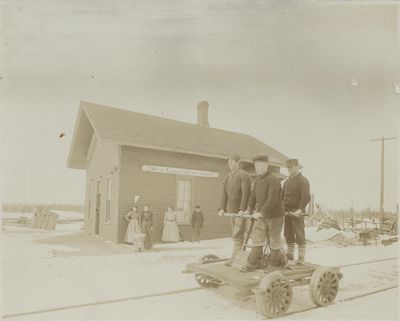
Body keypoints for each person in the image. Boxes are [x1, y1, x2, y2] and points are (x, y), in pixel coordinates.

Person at [240, 154, 286, 272]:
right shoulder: (258, 180)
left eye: (259, 165)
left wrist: (261, 212)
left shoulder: (273, 180)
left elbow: (272, 199)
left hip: (275, 216)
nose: (257, 168)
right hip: (261, 215)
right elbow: (252, 197)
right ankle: (252, 263)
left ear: (266, 165)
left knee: (274, 240)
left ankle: (274, 264)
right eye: (255, 165)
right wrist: (248, 209)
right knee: (257, 239)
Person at [218, 154, 251, 266]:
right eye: (229, 162)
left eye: (232, 162)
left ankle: (235, 259)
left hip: (240, 212)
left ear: (238, 162)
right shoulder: (227, 177)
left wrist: (242, 209)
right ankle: (237, 257)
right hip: (231, 211)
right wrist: (222, 208)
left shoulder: (244, 175)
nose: (230, 164)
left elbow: (246, 194)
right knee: (236, 235)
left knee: (238, 235)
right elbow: (223, 194)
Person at [282, 159, 311, 264]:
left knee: (299, 234)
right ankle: (290, 256)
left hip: (297, 212)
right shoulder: (287, 181)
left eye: (291, 168)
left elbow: (306, 197)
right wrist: (281, 208)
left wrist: (300, 209)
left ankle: (301, 258)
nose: (289, 170)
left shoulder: (303, 181)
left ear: (297, 167)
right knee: (287, 233)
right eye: (288, 168)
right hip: (286, 211)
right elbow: (282, 195)